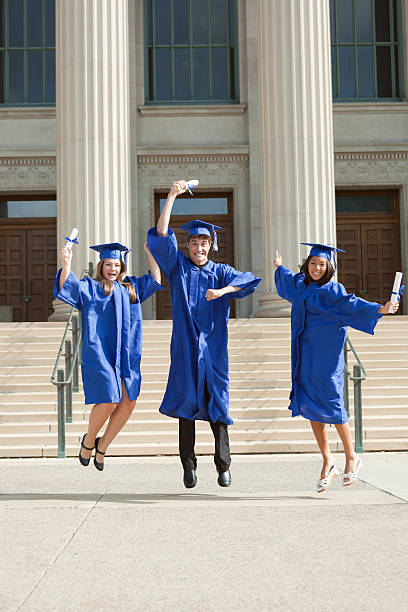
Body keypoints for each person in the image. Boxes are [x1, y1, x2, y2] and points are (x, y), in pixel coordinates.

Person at [147, 180, 261, 488]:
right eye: (195, 243)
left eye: (204, 244)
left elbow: (250, 280)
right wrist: (171, 196)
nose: (199, 248)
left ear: (210, 246)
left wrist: (222, 291)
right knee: (187, 406)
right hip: (186, 349)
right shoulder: (178, 268)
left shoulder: (221, 271)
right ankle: (189, 466)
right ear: (188, 246)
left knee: (218, 407)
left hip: (213, 351)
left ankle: (223, 465)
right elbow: (160, 235)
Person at [274, 243, 399, 492]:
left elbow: (352, 304)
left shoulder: (333, 291)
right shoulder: (300, 285)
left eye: (321, 264)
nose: (317, 268)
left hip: (327, 357)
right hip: (304, 355)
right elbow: (286, 280)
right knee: (309, 403)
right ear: (307, 265)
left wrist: (381, 308)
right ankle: (328, 459)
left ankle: (352, 456)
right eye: (313, 263)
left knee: (332, 402)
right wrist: (279, 267)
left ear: (329, 267)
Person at [54, 240, 163, 470]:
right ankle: (89, 440)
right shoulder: (91, 287)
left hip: (127, 353)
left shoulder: (131, 288)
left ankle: (102, 446)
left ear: (122, 267)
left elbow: (156, 278)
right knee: (109, 399)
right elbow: (67, 286)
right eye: (108, 265)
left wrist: (149, 252)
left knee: (129, 401)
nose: (112, 269)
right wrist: (66, 263)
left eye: (116, 265)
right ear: (101, 266)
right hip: (101, 353)